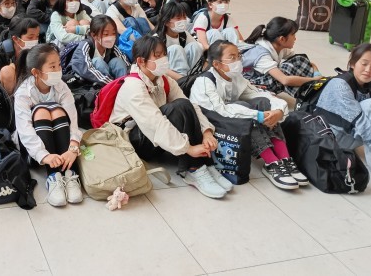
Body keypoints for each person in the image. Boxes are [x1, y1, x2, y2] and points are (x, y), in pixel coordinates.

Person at [109, 36, 231, 199]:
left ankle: (205, 164)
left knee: (184, 105)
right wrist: (188, 149)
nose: (164, 59)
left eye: (164, 54)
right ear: (141, 61)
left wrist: (207, 131)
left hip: (155, 137)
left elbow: (191, 105)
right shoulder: (133, 86)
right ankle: (193, 169)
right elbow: (155, 123)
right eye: (157, 55)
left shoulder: (163, 80)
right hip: (132, 143)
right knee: (177, 107)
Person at [190, 41, 308, 190]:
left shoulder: (236, 77)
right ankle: (271, 162)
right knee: (244, 109)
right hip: (210, 125)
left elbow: (259, 94)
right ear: (217, 64)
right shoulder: (205, 82)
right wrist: (258, 115)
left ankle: (284, 158)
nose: (238, 61)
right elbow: (222, 110)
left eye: (238, 56)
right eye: (232, 57)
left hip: (231, 119)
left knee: (263, 102)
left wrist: (278, 111)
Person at [13, 43, 83, 207]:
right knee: (42, 110)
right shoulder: (23, 93)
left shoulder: (62, 87)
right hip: (34, 152)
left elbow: (73, 121)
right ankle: (53, 177)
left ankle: (69, 173)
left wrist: (73, 148)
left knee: (58, 111)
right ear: (36, 72)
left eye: (58, 65)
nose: (58, 70)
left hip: (64, 149)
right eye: (52, 67)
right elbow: (25, 131)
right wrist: (44, 156)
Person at [315, 43, 371, 175]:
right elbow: (361, 123)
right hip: (331, 139)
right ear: (353, 63)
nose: (368, 70)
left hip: (351, 134)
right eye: (364, 64)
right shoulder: (340, 84)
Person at [241, 17, 321, 97]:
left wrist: (317, 74)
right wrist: (313, 80)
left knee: (299, 60)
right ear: (282, 39)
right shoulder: (262, 55)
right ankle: (309, 95)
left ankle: (316, 88)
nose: (295, 38)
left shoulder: (278, 46)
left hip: (263, 79)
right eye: (293, 35)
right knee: (285, 71)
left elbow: (303, 61)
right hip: (249, 86)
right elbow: (285, 80)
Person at [66, 14, 129, 85]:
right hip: (86, 82)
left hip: (107, 79)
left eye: (113, 33)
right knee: (98, 61)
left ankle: (124, 85)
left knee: (117, 61)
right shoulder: (85, 45)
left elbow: (126, 63)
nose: (111, 37)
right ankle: (112, 88)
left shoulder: (112, 47)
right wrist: (111, 84)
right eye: (106, 34)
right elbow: (85, 69)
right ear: (94, 35)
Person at [154, 1, 204, 79]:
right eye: (178, 18)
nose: (183, 20)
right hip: (168, 75)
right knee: (176, 49)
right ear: (166, 22)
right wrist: (182, 79)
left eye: (184, 17)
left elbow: (197, 51)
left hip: (188, 76)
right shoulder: (157, 39)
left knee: (194, 46)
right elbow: (157, 66)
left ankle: (196, 76)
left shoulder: (184, 35)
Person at [0, 16, 40, 94]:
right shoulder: (0, 55)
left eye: (37, 37)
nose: (35, 41)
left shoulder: (40, 52)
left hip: (35, 93)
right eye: (30, 37)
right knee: (7, 71)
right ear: (16, 39)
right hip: (11, 94)